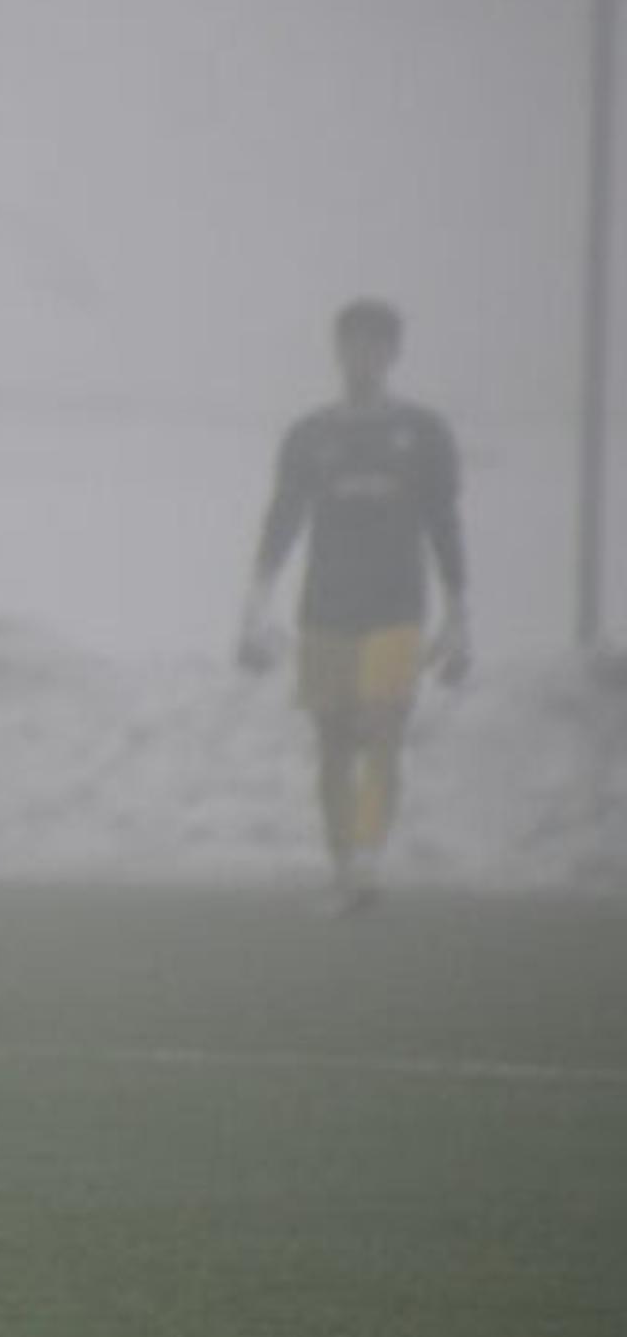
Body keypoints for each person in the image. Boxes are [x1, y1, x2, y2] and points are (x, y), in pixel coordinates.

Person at [234, 296, 470, 910]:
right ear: (337, 351)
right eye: (353, 343)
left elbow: (444, 523)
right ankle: (342, 862)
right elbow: (283, 519)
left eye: (375, 344)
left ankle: (368, 859)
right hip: (326, 608)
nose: (363, 356)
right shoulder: (310, 435)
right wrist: (256, 602)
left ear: (393, 354)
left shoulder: (423, 434)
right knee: (334, 741)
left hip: (397, 608)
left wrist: (459, 614)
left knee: (384, 726)